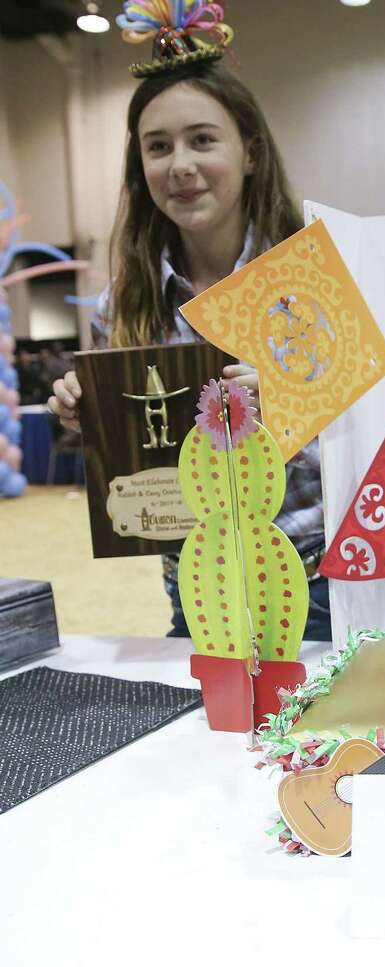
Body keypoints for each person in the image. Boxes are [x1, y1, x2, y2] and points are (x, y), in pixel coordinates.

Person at [48, 9, 330, 639]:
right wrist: (81, 411)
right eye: (158, 146)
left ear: (249, 151)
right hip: (197, 589)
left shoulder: (309, 278)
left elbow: (376, 432)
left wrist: (293, 396)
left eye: (203, 139)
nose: (180, 164)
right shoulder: (122, 304)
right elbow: (129, 450)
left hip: (319, 584)